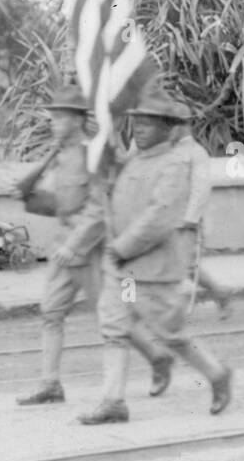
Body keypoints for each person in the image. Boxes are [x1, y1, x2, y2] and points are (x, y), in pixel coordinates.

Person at [79, 82, 233, 424]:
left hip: (155, 269)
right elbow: (113, 166)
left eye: (148, 123)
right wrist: (98, 135)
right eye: (139, 122)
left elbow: (159, 218)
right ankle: (113, 401)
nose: (141, 128)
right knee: (114, 328)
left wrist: (122, 247)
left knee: (171, 334)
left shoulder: (175, 164)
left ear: (167, 127)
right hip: (123, 268)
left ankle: (217, 373)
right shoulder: (137, 157)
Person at [16, 86, 107, 405]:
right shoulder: (60, 155)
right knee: (51, 312)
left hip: (89, 247)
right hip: (63, 246)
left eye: (59, 116)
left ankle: (152, 361)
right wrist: (48, 158)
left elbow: (99, 208)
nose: (53, 121)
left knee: (109, 319)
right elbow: (54, 201)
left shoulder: (91, 154)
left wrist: (76, 244)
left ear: (77, 119)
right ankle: (50, 383)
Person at [172, 113, 232, 318]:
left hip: (186, 221)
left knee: (185, 267)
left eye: (174, 123)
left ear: (184, 125)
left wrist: (190, 218)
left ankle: (219, 293)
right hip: (168, 218)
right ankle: (219, 293)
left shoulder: (196, 152)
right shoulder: (168, 151)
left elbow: (201, 189)